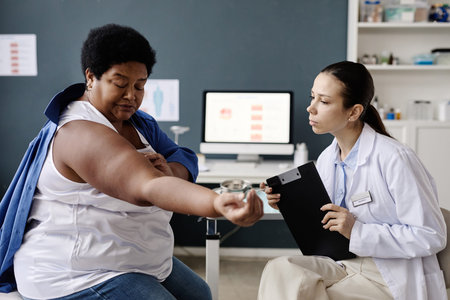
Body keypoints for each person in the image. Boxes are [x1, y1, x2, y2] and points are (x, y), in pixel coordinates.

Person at [0, 24, 263, 300]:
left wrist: (171, 170)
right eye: (120, 83)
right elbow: (147, 187)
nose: (131, 96)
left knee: (201, 294)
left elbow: (182, 155)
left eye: (140, 86)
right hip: (77, 271)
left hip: (133, 254)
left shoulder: (138, 123)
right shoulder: (79, 134)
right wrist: (214, 203)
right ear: (91, 77)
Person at [258, 61, 447, 300]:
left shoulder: (394, 157)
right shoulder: (328, 158)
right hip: (343, 262)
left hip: (387, 275)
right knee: (281, 269)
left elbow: (431, 235)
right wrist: (290, 204)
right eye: (312, 97)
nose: (310, 108)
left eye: (324, 101)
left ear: (354, 111)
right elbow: (327, 220)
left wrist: (357, 231)